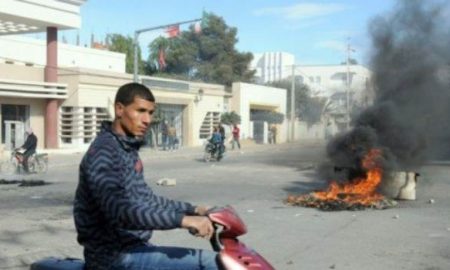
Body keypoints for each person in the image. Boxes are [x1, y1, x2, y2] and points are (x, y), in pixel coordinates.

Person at [74, 83, 220, 270]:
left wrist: (194, 210)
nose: (147, 119)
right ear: (119, 109)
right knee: (213, 264)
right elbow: (120, 212)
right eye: (140, 111)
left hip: (134, 247)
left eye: (150, 113)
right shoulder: (104, 152)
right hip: (112, 257)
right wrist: (183, 221)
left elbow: (146, 199)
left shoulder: (126, 148)